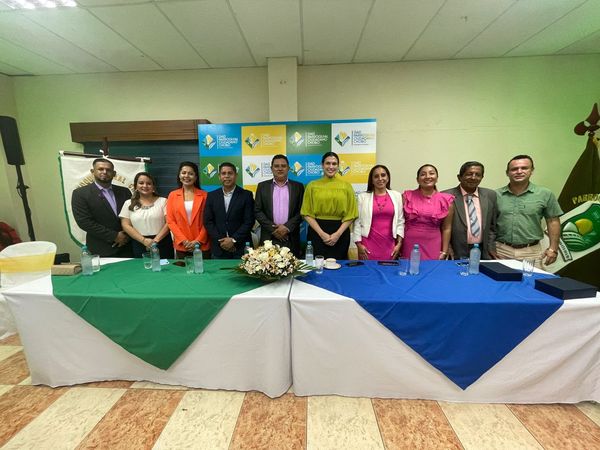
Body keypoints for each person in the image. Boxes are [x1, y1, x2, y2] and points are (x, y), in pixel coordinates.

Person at [495, 155, 562, 267]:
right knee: (497, 278)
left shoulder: (545, 194)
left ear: (532, 171)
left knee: (531, 278)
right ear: (507, 173)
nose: (519, 171)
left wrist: (553, 249)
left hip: (531, 252)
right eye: (514, 169)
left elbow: (553, 221)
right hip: (501, 250)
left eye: (524, 168)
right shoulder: (495, 195)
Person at [301, 151, 358, 259]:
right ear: (322, 165)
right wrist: (322, 234)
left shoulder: (346, 186)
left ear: (338, 166)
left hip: (340, 233)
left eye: (334, 164)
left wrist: (337, 234)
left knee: (340, 265)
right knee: (317, 266)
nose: (331, 167)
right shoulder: (312, 186)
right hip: (317, 232)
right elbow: (306, 213)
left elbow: (351, 214)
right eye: (328, 163)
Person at [71, 158, 132, 257]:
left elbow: (133, 216)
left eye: (108, 170)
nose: (104, 172)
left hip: (127, 246)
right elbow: (84, 222)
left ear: (114, 173)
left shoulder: (125, 192)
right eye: (100, 169)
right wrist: (114, 236)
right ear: (92, 171)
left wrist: (126, 235)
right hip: (100, 249)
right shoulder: (80, 194)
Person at [442, 161, 497, 260]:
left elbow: (492, 226)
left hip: (483, 251)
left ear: (482, 177)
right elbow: (440, 226)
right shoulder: (446, 196)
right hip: (455, 251)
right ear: (459, 177)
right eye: (469, 174)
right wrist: (446, 247)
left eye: (478, 175)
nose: (473, 177)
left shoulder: (490, 195)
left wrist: (491, 247)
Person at [255, 154, 305, 257]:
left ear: (288, 168)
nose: (280, 169)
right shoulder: (262, 186)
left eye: (283, 166)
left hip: (290, 237)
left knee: (293, 266)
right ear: (271, 168)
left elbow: (302, 211)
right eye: (276, 166)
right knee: (267, 265)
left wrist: (286, 227)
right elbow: (257, 211)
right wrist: (274, 229)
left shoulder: (298, 187)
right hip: (269, 237)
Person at [401, 164, 454, 260]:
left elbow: (446, 228)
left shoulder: (446, 200)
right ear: (417, 179)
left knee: (432, 268)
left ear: (437, 178)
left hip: (433, 244)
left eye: (431, 173)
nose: (427, 176)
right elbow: (399, 222)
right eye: (423, 174)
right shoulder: (407, 196)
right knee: (410, 268)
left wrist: (444, 251)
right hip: (409, 243)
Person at [353, 165, 404, 260]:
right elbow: (357, 222)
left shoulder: (397, 196)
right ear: (372, 180)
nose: (380, 179)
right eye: (376, 176)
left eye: (383, 175)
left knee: (388, 269)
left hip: (389, 246)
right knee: (368, 269)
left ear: (388, 178)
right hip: (367, 246)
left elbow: (400, 222)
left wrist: (399, 244)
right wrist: (359, 245)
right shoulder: (362, 197)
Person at [204, 162, 255, 259]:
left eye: (230, 173)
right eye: (223, 173)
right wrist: (222, 241)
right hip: (219, 247)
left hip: (241, 247)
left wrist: (233, 240)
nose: (227, 176)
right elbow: (208, 221)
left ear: (236, 175)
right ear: (219, 176)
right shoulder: (211, 196)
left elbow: (249, 221)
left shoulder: (246, 195)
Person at [119, 172, 173, 259]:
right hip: (139, 243)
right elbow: (125, 225)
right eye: (141, 183)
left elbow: (169, 223)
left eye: (149, 183)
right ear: (135, 186)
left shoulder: (163, 201)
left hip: (162, 242)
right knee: (142, 267)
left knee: (165, 267)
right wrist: (143, 240)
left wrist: (155, 241)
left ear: (153, 186)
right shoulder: (128, 203)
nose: (145, 186)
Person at [166, 161, 210, 259]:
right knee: (183, 269)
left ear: (196, 177)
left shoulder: (205, 195)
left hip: (201, 245)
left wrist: (198, 241)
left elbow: (208, 221)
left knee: (203, 268)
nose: (186, 176)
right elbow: (170, 221)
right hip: (182, 245)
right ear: (179, 176)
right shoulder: (172, 195)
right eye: (183, 173)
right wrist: (183, 240)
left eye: (191, 173)